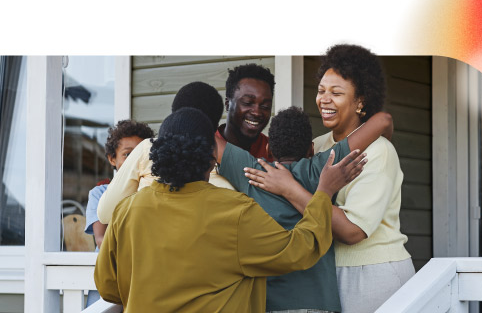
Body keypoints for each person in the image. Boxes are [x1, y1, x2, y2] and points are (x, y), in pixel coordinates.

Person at [94, 107, 364, 312]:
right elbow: (299, 250)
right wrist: (323, 193)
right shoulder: (235, 211)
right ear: (211, 159)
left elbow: (107, 285)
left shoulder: (127, 211)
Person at [243, 44, 415, 312]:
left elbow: (352, 231)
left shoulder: (380, 152)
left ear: (361, 101)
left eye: (336, 93)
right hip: (329, 272)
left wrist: (289, 189)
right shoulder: (317, 145)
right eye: (322, 90)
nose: (324, 99)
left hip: (372, 273)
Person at [216, 106, 393, 313]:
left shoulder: (254, 172)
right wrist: (385, 142)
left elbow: (206, 141)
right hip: (320, 303)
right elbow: (383, 119)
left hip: (270, 304)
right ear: (311, 149)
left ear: (268, 150)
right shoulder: (324, 168)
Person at [96, 81, 234, 224]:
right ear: (214, 128)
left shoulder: (147, 148)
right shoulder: (230, 173)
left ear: (172, 117)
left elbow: (106, 213)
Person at [83, 119, 154, 307]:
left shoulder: (152, 192)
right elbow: (101, 238)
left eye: (140, 154)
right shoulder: (99, 193)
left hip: (143, 278)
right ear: (112, 159)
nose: (134, 161)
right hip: (109, 276)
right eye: (128, 155)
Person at [217, 63, 275, 161]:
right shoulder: (205, 147)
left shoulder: (274, 153)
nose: (256, 112)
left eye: (265, 106)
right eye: (247, 103)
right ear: (227, 104)